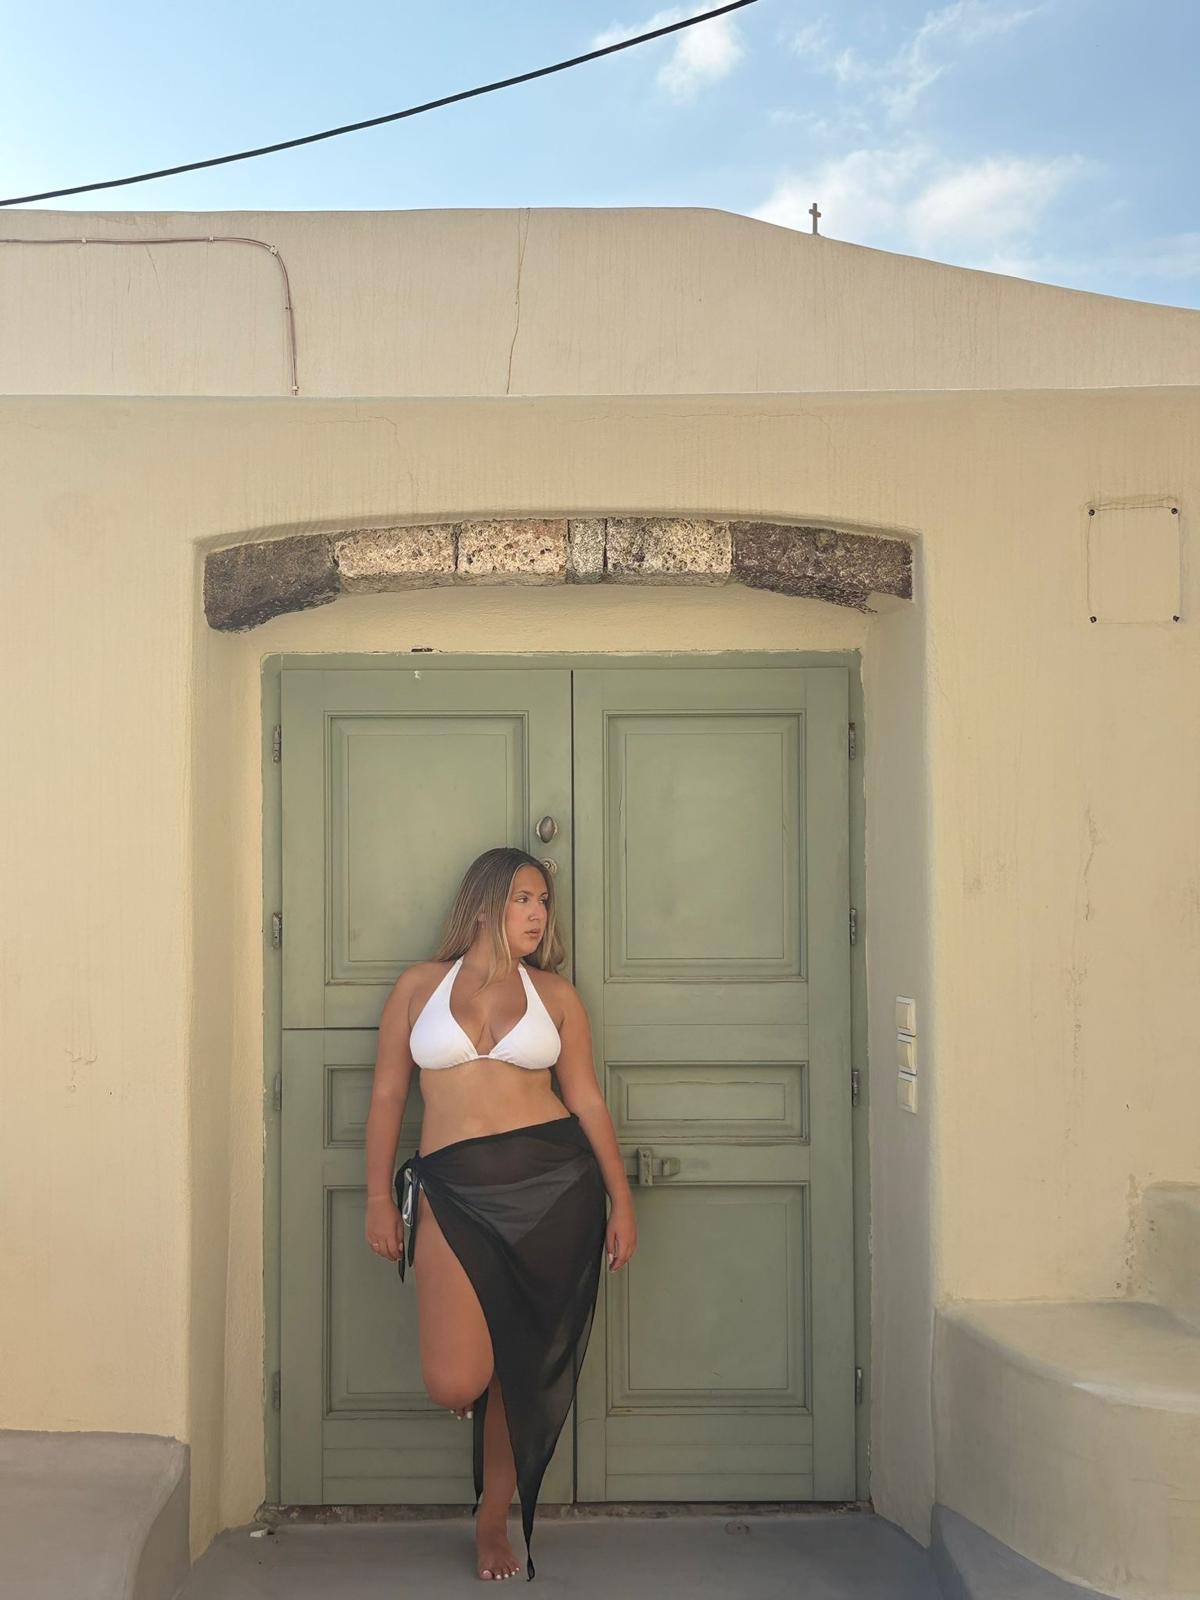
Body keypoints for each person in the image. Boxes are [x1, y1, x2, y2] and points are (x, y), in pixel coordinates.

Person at [363, 847, 638, 1581]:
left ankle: (493, 1518)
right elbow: (388, 1094)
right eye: (523, 899)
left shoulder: (555, 995)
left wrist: (621, 1198)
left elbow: (585, 1099)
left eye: (543, 901)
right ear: (484, 904)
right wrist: (377, 1197)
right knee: (456, 1381)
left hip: (551, 1195)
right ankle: (491, 1364)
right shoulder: (419, 987)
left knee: (520, 1369)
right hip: (450, 1193)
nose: (538, 914)